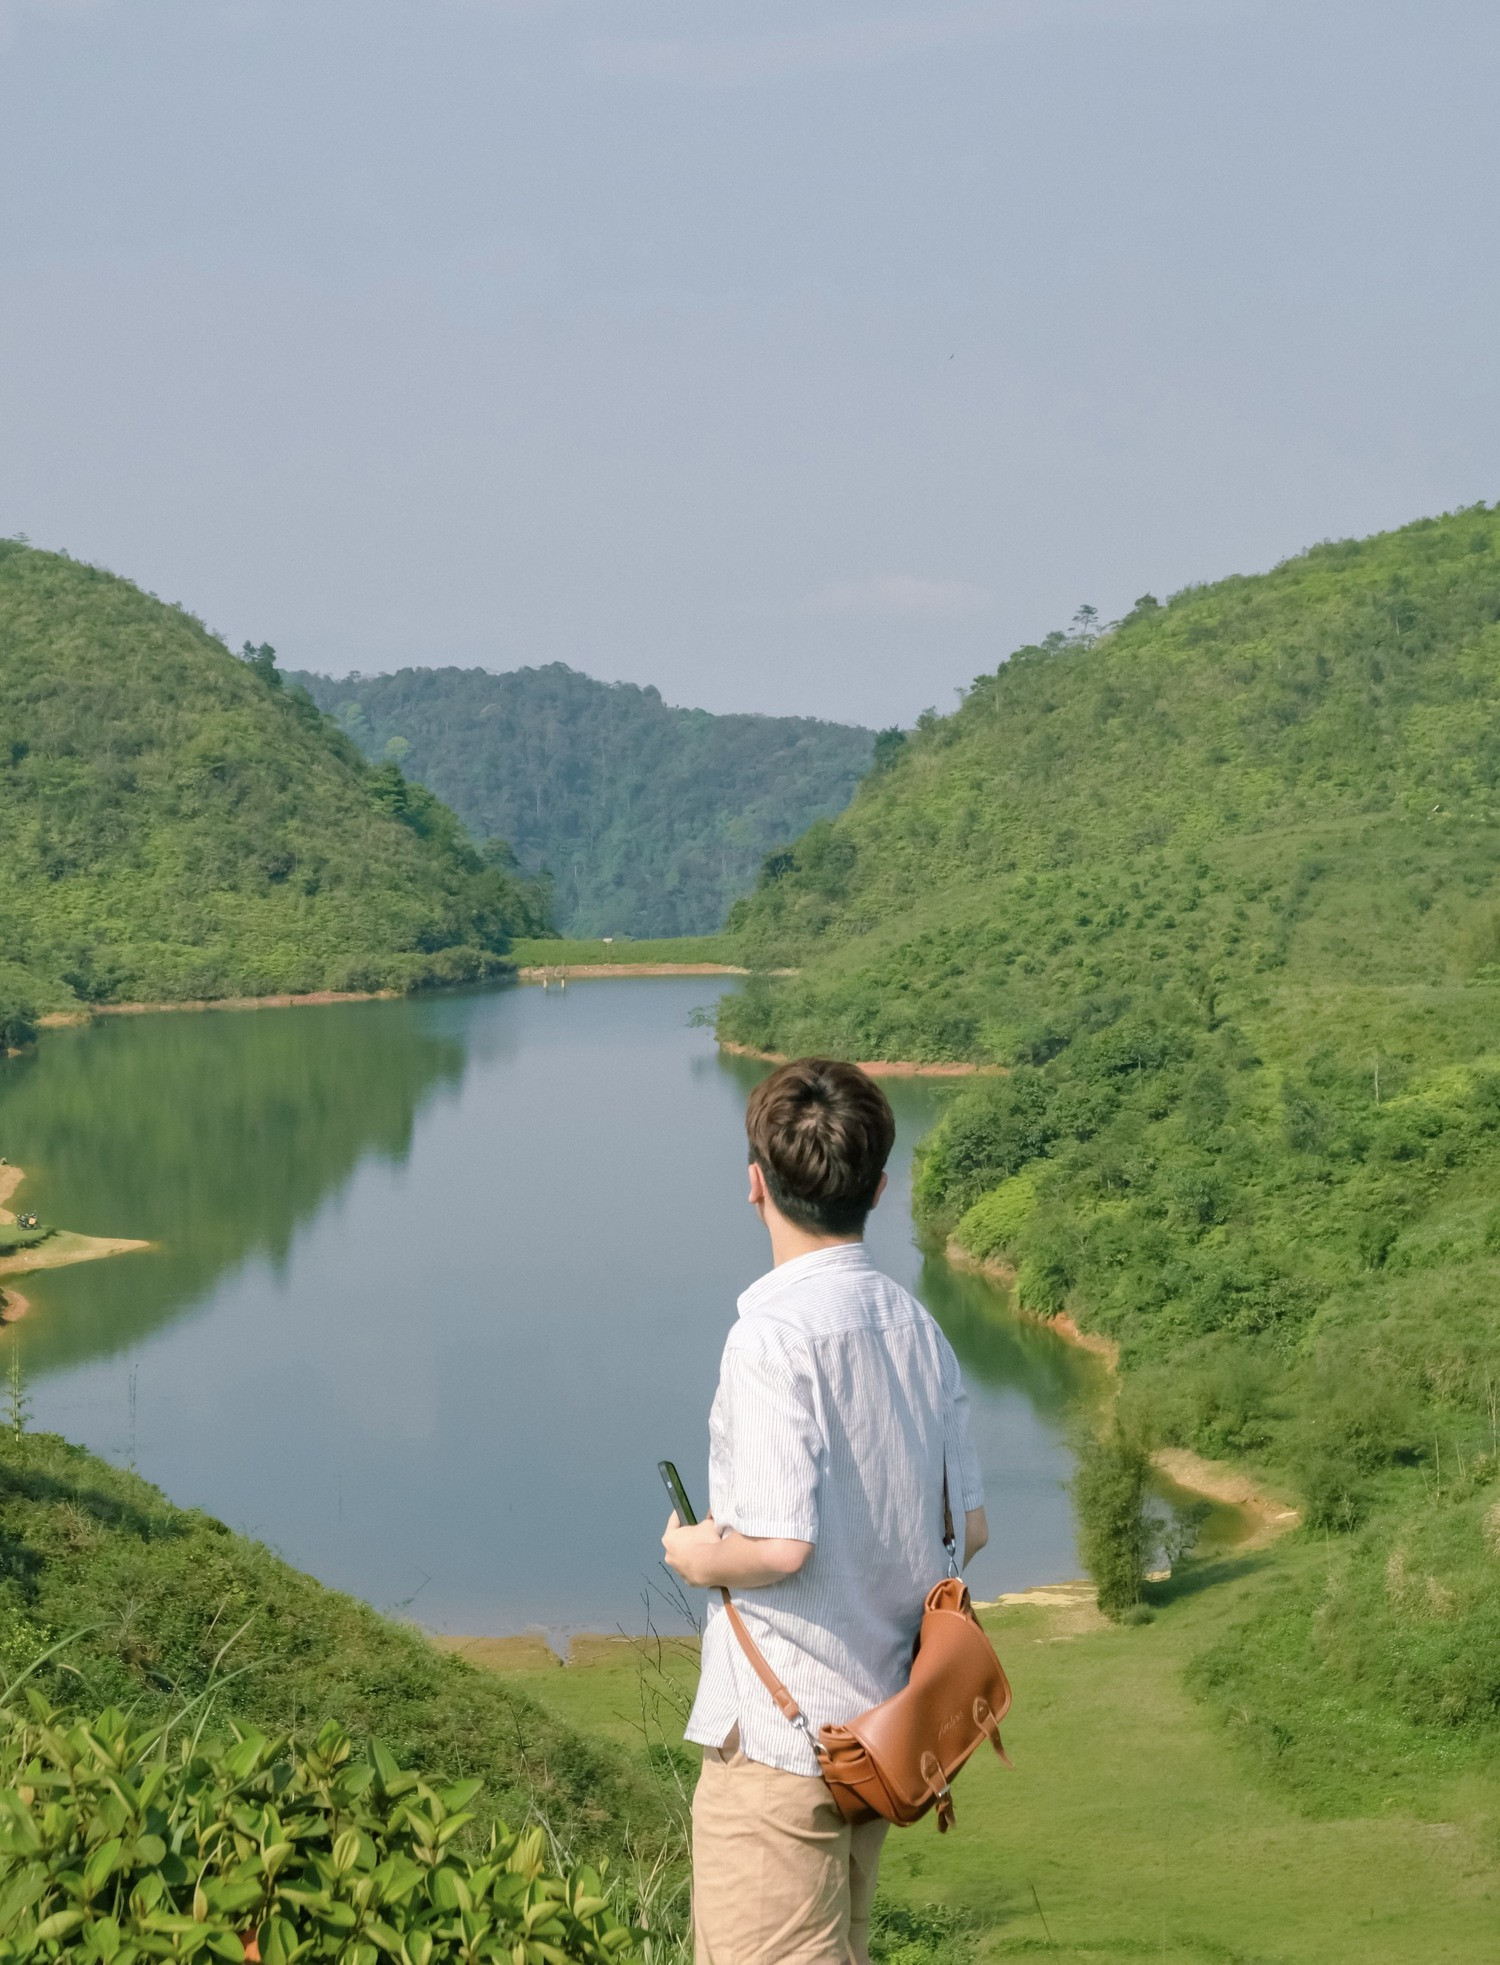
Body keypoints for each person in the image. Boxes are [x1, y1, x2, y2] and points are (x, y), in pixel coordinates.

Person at [663, 1057, 989, 1965]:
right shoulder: (917, 1326)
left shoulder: (771, 1336)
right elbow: (972, 1528)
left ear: (754, 1183)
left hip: (783, 1741)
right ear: (880, 1187)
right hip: (878, 1732)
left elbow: (778, 1546)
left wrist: (693, 1553)